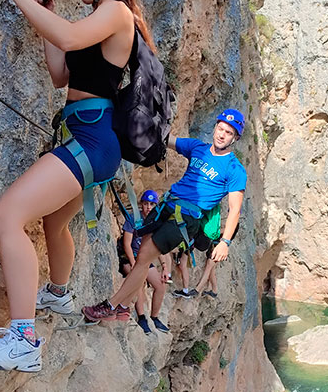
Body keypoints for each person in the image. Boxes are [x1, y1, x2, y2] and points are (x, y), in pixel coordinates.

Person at [0, 0, 155, 372]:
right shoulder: (95, 20)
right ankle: (59, 293)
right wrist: (46, 17)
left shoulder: (116, 14)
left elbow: (68, 38)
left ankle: (23, 340)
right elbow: (61, 74)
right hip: (88, 138)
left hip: (92, 139)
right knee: (54, 223)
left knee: (7, 215)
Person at [83, 109, 247, 328]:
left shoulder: (235, 169)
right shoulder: (197, 147)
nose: (222, 134)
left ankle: (110, 306)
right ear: (215, 127)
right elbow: (166, 139)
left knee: (143, 258)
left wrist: (225, 242)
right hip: (166, 207)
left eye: (228, 132)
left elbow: (235, 209)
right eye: (220, 128)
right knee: (142, 256)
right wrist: (139, 117)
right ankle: (121, 308)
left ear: (234, 138)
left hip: (186, 219)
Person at [118, 190, 170, 334]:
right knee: (138, 282)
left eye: (152, 204)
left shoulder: (156, 222)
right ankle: (142, 317)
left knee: (160, 286)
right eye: (146, 204)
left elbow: (158, 247)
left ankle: (154, 317)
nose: (148, 207)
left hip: (144, 259)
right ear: (141, 204)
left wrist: (165, 268)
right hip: (129, 258)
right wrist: (134, 263)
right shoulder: (134, 218)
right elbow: (127, 244)